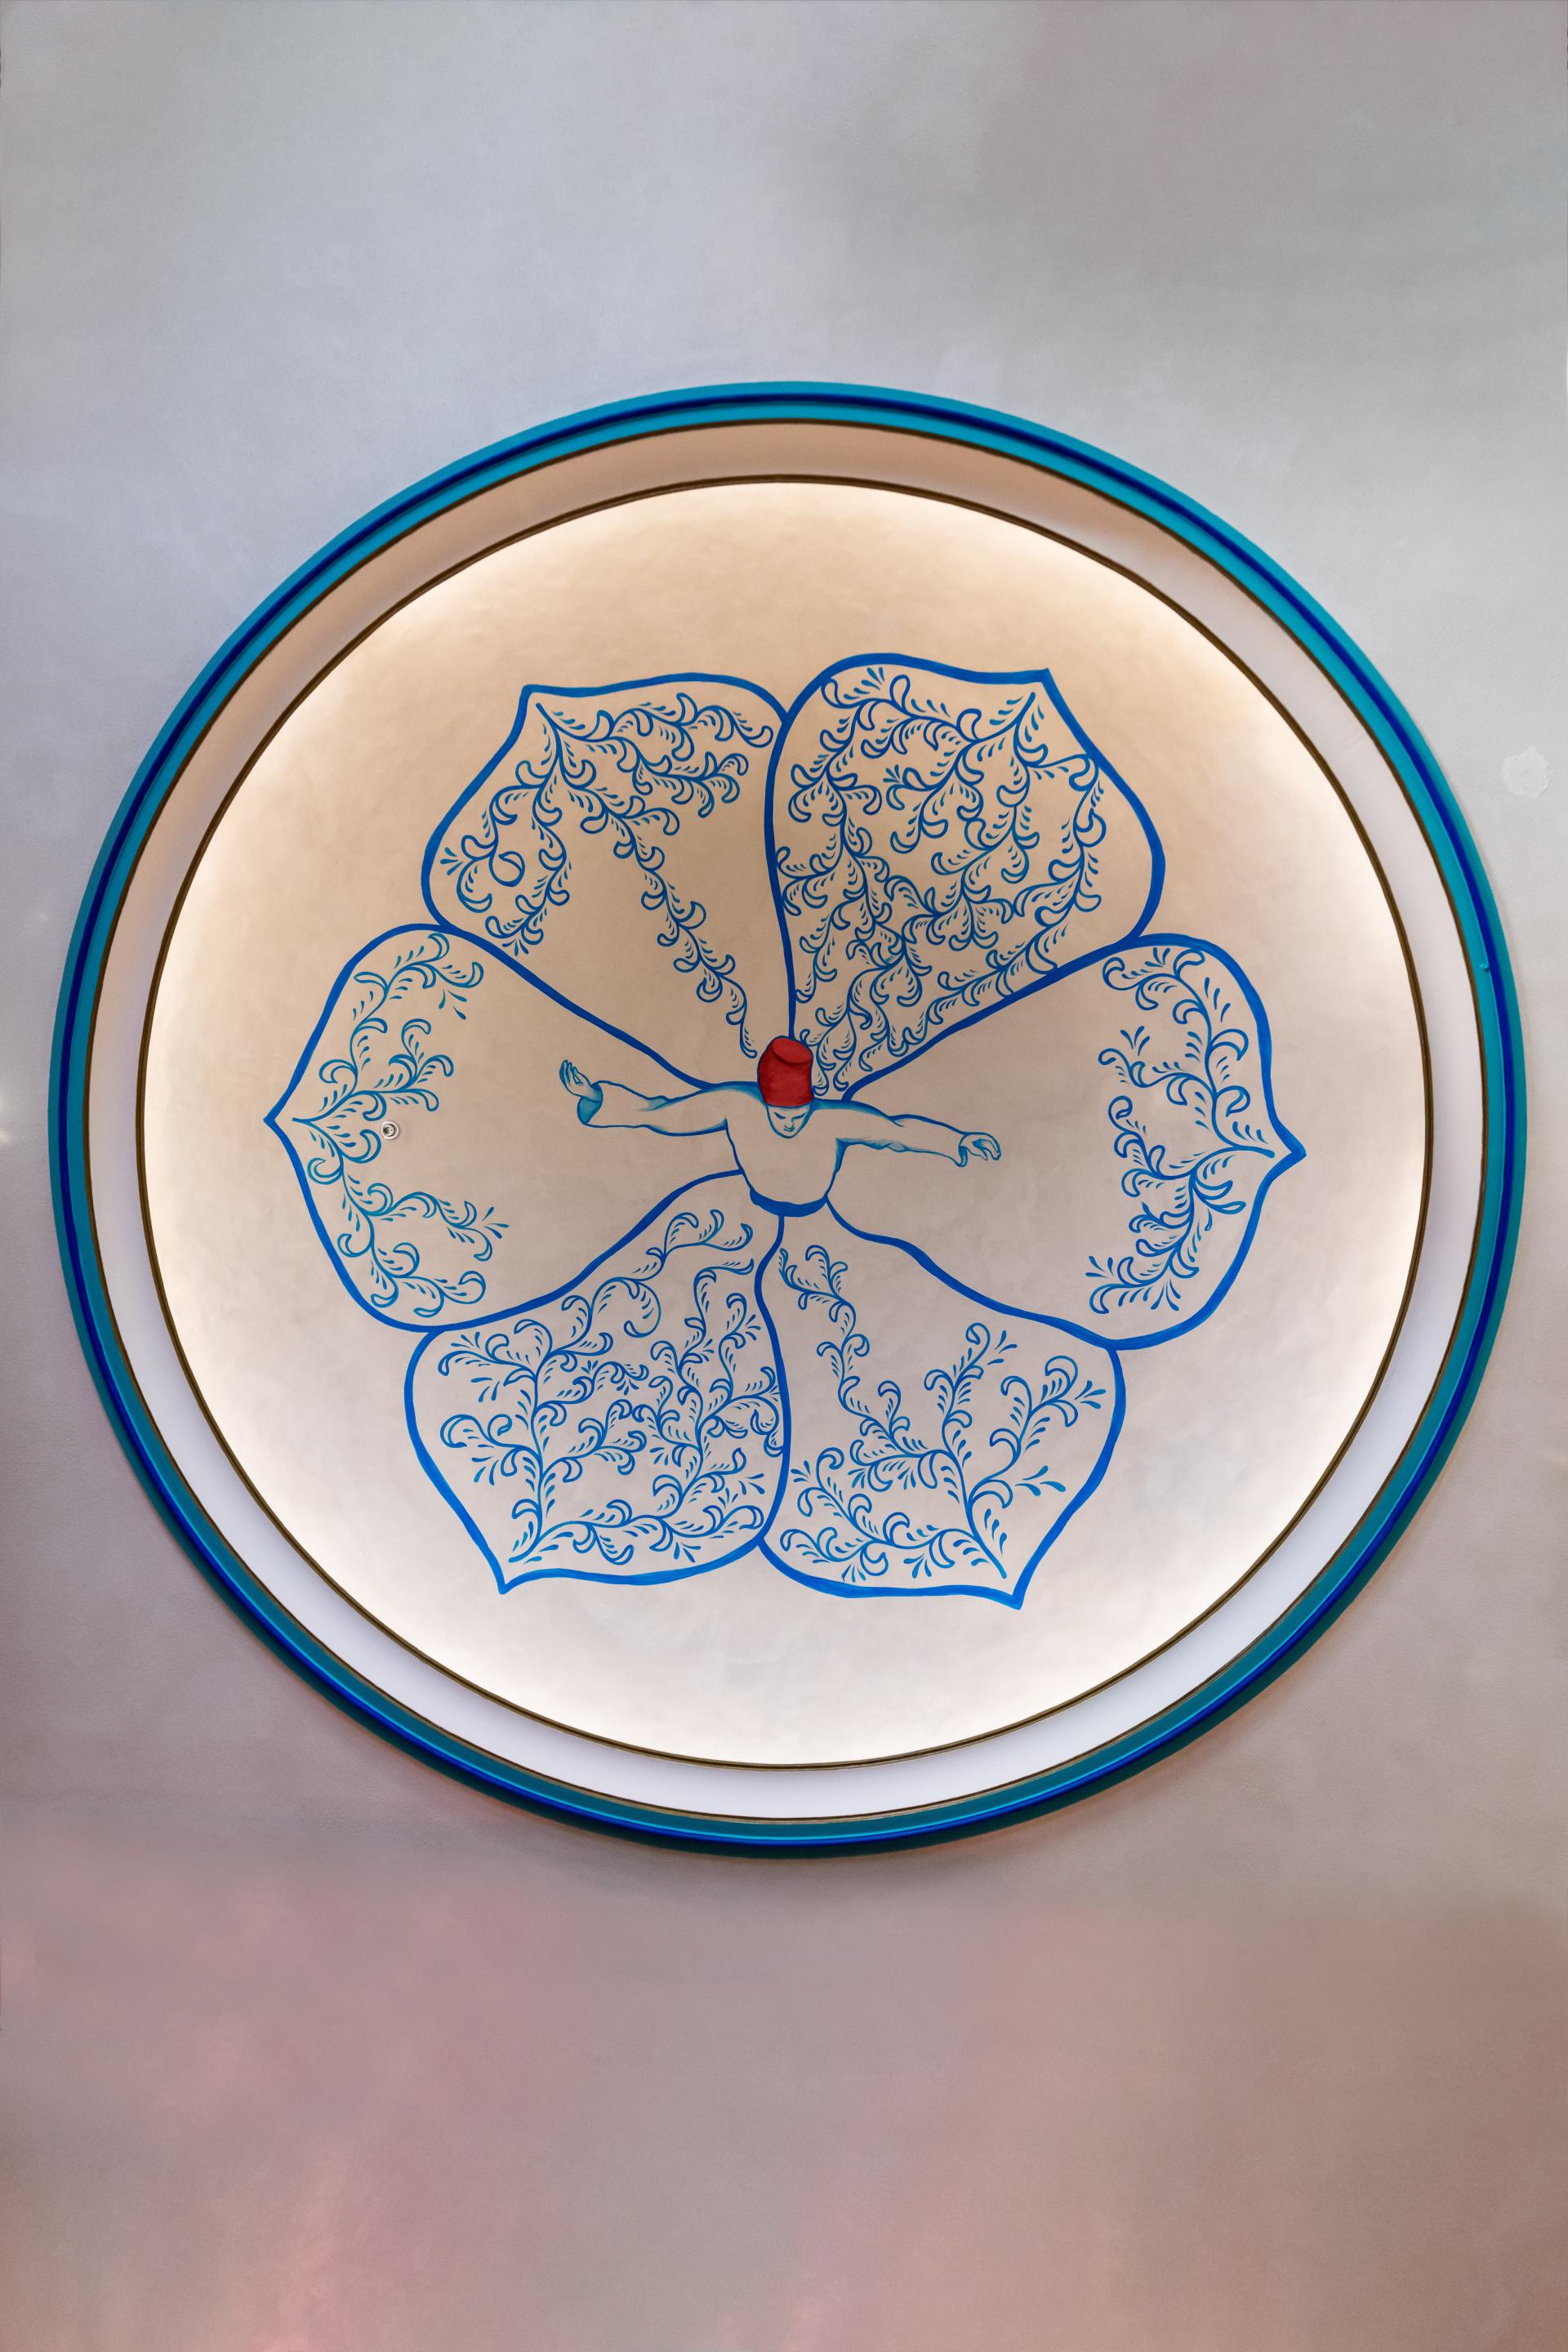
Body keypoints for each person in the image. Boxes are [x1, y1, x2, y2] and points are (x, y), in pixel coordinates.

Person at [559, 1035, 1000, 1217]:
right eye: (778, 1115)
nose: (787, 1125)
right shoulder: (735, 1103)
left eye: (796, 1116)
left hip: (818, 1210)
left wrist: (956, 1141)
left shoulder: (834, 1121)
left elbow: (898, 1133)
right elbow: (665, 1115)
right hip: (752, 1205)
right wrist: (597, 1098)